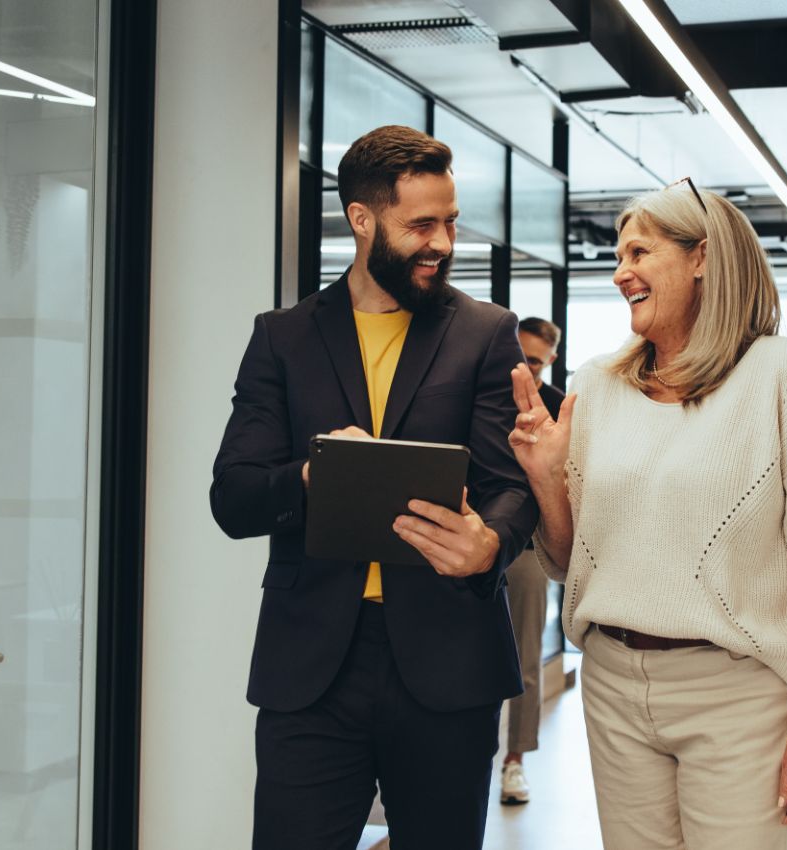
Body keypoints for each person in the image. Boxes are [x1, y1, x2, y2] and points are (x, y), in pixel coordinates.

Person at [508, 180, 787, 848]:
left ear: (700, 257)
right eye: (618, 257)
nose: (622, 273)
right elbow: (567, 561)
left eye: (640, 252)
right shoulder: (593, 386)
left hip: (738, 696)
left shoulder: (784, 375)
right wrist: (547, 479)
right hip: (613, 686)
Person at [211, 124, 537, 850]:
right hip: (313, 669)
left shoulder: (486, 333)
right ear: (362, 220)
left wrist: (490, 542)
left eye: (450, 221)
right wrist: (310, 474)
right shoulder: (283, 338)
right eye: (420, 224)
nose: (442, 243)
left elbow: (510, 486)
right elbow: (232, 496)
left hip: (450, 658)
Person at [498, 316, 563, 806]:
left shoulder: (562, 409)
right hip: (474, 539)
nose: (524, 367)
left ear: (551, 361)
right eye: (519, 356)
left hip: (528, 552)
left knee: (524, 658)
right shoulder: (486, 397)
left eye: (535, 361)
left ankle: (515, 761)